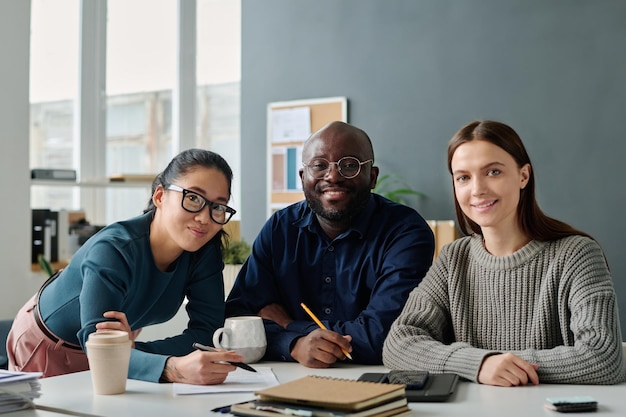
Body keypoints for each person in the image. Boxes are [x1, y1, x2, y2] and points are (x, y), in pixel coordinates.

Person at [383, 120, 626, 386]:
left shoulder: (577, 254)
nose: (477, 189)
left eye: (493, 172)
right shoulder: (453, 258)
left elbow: (603, 357)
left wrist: (501, 366)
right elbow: (398, 343)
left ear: (523, 176)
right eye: (463, 177)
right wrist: (480, 364)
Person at [8, 149, 245, 384]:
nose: (205, 218)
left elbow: (207, 334)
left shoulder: (203, 251)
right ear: (160, 196)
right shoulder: (113, 250)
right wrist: (167, 366)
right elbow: (100, 350)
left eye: (217, 206)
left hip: (111, 351)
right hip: (47, 345)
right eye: (193, 198)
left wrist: (132, 352)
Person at [225, 121, 435, 368]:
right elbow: (237, 321)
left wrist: (290, 326)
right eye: (319, 165)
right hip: (287, 378)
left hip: (376, 381)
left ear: (373, 177)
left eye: (350, 165)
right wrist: (294, 345)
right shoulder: (280, 229)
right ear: (304, 177)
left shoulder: (405, 232)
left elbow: (385, 335)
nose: (333, 176)